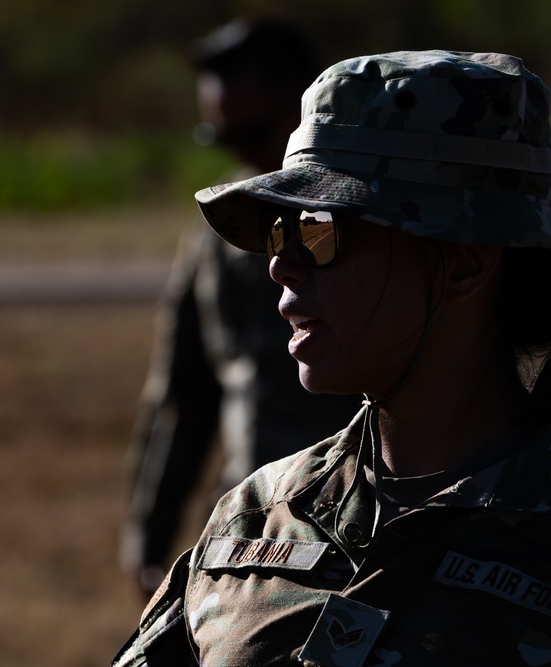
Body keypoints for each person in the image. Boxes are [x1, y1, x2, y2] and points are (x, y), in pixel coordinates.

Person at [113, 50, 551, 665]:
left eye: (319, 229)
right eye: (278, 231)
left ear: (466, 261)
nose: (280, 265)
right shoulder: (256, 516)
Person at [121, 16, 363, 598]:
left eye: (254, 133)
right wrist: (149, 537)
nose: (242, 156)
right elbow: (185, 393)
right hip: (250, 527)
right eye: (221, 140)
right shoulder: (214, 239)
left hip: (353, 522)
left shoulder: (374, 230)